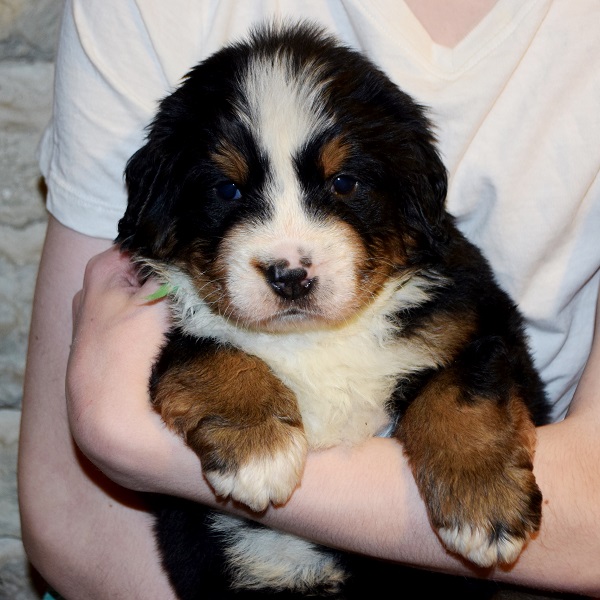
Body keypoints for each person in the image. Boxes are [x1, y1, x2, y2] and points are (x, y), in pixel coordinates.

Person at [18, 0, 600, 598]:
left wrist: (465, 445)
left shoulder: (441, 300)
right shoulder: (187, 318)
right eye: (229, 190)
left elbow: (488, 359)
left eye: (342, 184)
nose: (290, 262)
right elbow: (73, 503)